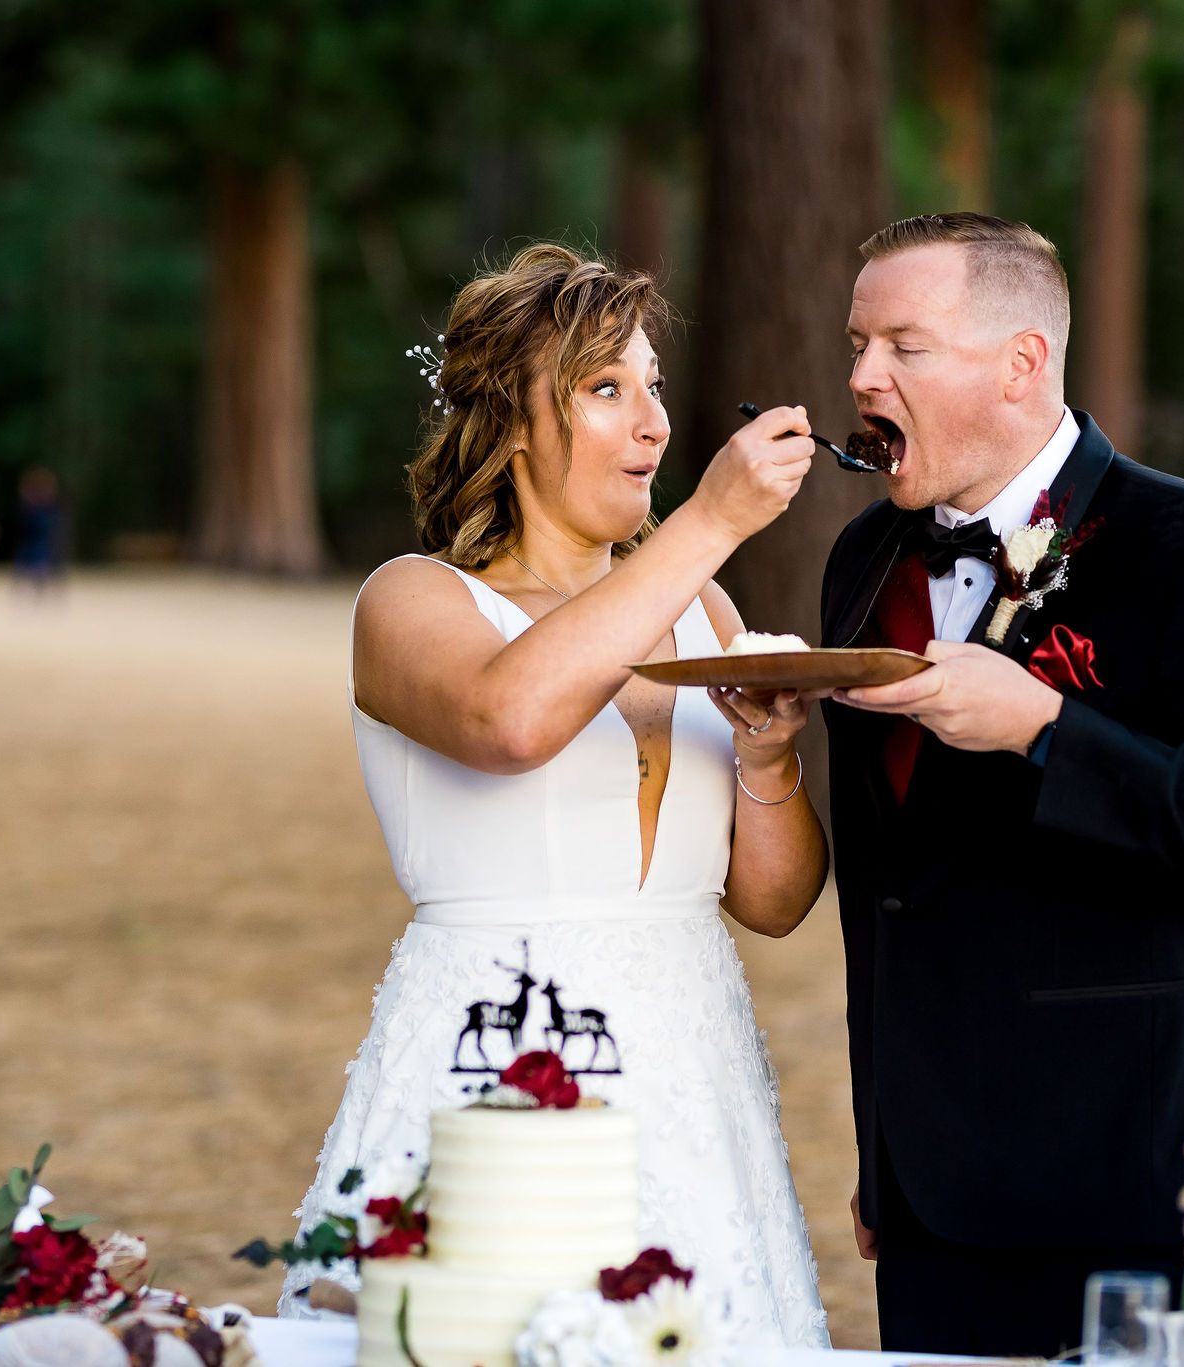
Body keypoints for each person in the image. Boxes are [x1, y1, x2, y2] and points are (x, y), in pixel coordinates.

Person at [282, 244, 831, 1345]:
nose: (653, 424)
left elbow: (772, 904)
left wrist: (769, 760)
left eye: (654, 387)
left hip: (692, 1079)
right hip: (495, 1066)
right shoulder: (414, 601)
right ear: (511, 420)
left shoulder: (705, 613)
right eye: (605, 388)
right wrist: (711, 521)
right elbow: (510, 722)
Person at [821, 213, 1184, 1355]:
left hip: (1132, 1175)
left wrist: (1046, 729)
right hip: (925, 1188)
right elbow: (885, 885)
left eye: (904, 346)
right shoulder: (863, 560)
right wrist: (880, 1145)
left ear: (1022, 363)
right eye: (858, 344)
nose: (861, 377)